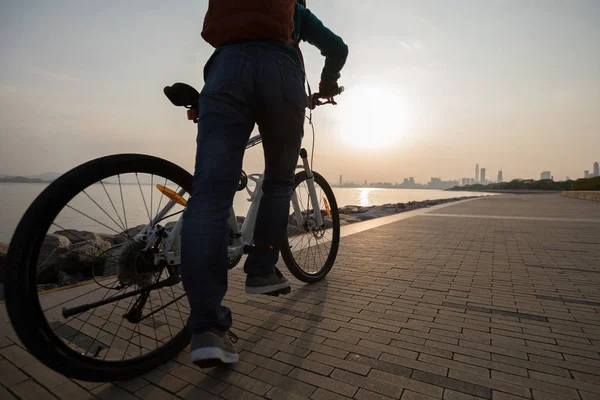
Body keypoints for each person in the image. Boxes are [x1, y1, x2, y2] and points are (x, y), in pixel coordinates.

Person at [180, 0, 348, 367]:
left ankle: (207, 329)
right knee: (278, 181)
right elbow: (337, 47)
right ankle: (260, 270)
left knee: (209, 196)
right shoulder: (293, 9)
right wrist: (327, 82)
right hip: (281, 73)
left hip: (225, 70)